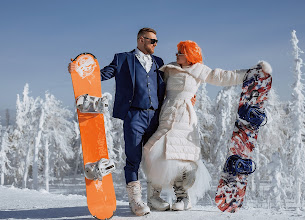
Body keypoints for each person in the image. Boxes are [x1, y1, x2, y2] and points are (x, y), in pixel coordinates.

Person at [68, 28, 195, 216]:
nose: (156, 44)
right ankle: (135, 201)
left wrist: (188, 95)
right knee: (133, 158)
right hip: (134, 116)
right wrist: (76, 70)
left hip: (156, 117)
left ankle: (154, 197)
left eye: (156, 41)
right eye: (153, 41)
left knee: (157, 156)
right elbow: (99, 75)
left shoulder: (158, 62)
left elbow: (176, 79)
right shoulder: (122, 59)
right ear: (141, 40)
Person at [143, 40, 263, 211]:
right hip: (166, 115)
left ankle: (183, 198)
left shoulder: (199, 69)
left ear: (190, 55)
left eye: (180, 53)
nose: (176, 55)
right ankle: (153, 197)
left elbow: (222, 76)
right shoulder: (168, 69)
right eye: (177, 52)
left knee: (183, 157)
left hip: (185, 118)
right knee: (152, 151)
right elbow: (154, 89)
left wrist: (250, 73)